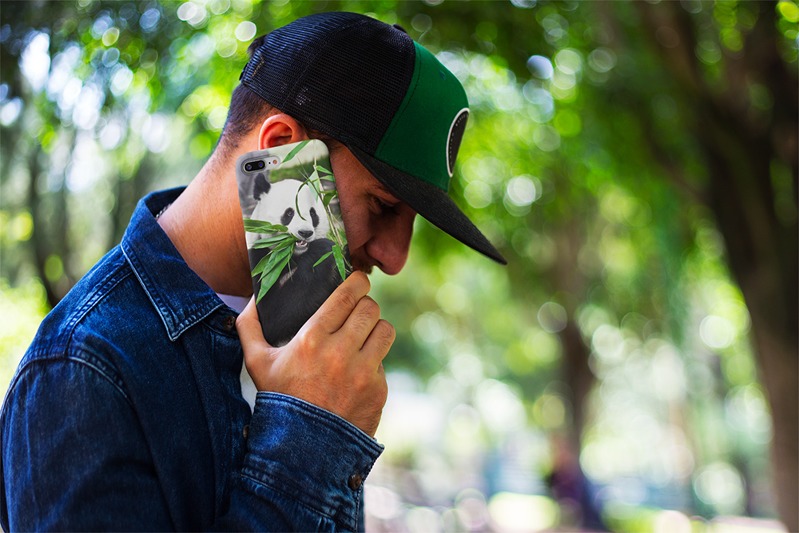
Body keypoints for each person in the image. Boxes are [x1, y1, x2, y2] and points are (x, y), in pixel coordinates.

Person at [0, 11, 506, 531]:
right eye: (382, 205)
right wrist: (309, 432)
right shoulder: (82, 369)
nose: (395, 258)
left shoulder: (306, 336)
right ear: (281, 147)